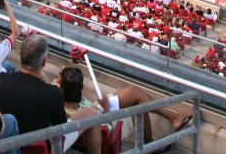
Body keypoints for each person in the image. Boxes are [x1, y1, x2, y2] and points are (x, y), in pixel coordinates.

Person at [59, 63, 191, 149]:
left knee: (136, 93)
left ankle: (153, 140)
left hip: (97, 111)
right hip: (103, 118)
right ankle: (165, 127)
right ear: (81, 87)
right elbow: (98, 125)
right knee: (137, 98)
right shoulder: (80, 111)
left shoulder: (57, 101)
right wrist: (103, 109)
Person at [0, 34, 66, 136]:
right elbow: (62, 128)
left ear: (21, 57)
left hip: (5, 143)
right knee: (89, 112)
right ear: (44, 62)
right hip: (37, 147)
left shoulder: (0, 79)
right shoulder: (53, 94)